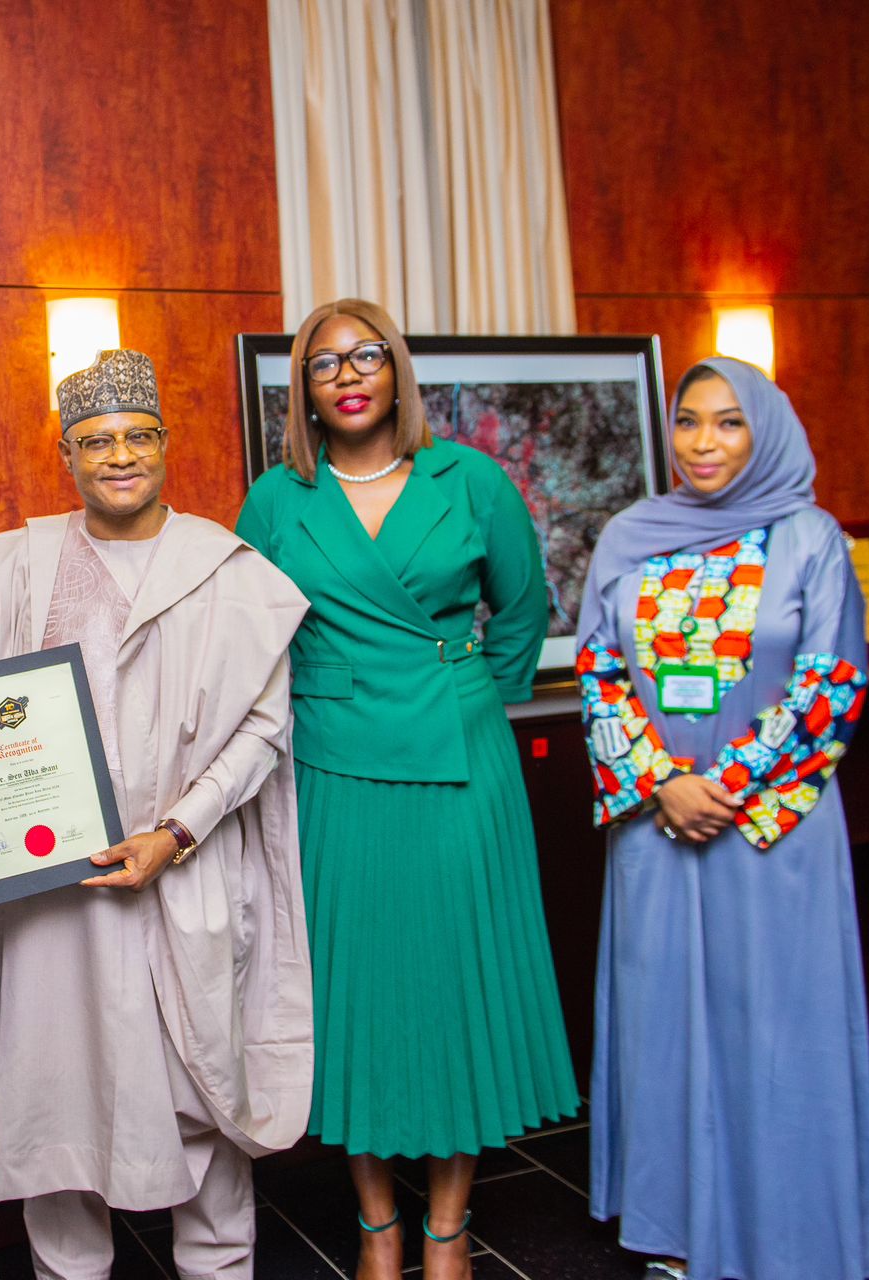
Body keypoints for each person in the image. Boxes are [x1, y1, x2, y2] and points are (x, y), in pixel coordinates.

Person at [0, 348, 313, 1280]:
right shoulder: (21, 564)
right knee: (54, 1093)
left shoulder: (229, 570)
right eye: (96, 441)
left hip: (183, 874)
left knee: (204, 1089)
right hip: (53, 891)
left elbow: (262, 735)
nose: (119, 457)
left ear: (165, 446)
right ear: (68, 455)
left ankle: (218, 1268)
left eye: (137, 437)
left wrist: (175, 832)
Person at [236, 299, 578, 1280]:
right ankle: (376, 1217)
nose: (346, 374)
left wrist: (466, 691)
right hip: (335, 764)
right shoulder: (275, 498)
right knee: (356, 993)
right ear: (301, 389)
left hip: (458, 762)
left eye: (365, 355)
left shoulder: (468, 477)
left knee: (452, 987)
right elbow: (247, 633)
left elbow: (519, 611)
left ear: (394, 371)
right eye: (322, 362)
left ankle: (446, 1222)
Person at [575, 356, 869, 1280]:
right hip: (656, 831)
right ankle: (675, 1227)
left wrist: (726, 787)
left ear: (766, 432)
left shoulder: (810, 538)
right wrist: (663, 781)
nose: (703, 443)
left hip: (769, 833)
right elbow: (599, 671)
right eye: (688, 422)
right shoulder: (631, 537)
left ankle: (786, 1232)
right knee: (665, 1022)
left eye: (728, 423)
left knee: (775, 1027)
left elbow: (830, 680)